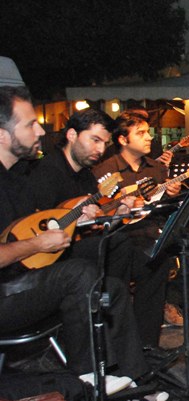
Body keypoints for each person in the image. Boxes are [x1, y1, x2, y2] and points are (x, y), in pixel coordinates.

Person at [0, 86, 154, 396]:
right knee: (80, 273)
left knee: (112, 288)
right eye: (30, 124)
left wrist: (76, 221)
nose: (41, 130)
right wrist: (38, 244)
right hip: (6, 292)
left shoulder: (18, 178)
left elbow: (36, 225)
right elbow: (29, 243)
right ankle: (88, 378)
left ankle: (135, 382)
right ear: (2, 135)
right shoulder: (37, 174)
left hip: (23, 277)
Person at [27, 109, 172, 350]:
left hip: (86, 245)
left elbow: (99, 221)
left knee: (155, 262)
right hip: (53, 256)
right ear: (72, 135)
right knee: (118, 245)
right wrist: (77, 221)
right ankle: (113, 341)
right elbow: (38, 225)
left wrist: (119, 212)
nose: (100, 149)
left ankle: (145, 345)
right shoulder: (47, 172)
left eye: (104, 143)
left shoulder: (86, 176)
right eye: (94, 140)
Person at [94, 110, 189, 327]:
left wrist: (172, 194)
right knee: (154, 254)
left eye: (148, 132)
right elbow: (99, 210)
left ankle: (172, 298)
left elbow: (166, 207)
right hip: (125, 232)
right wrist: (122, 205)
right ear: (123, 139)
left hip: (157, 226)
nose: (149, 137)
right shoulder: (106, 170)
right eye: (141, 133)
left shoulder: (156, 168)